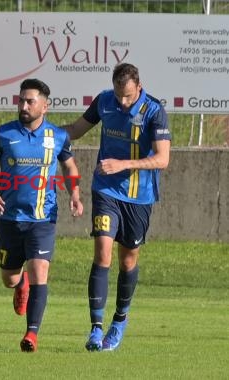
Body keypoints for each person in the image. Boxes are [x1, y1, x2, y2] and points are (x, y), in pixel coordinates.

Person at [63, 63, 170, 351]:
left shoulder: (154, 111)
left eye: (128, 96)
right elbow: (76, 129)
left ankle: (119, 320)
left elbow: (162, 159)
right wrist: (43, 134)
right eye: (118, 94)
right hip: (106, 190)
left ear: (139, 87)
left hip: (139, 197)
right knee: (103, 252)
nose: (122, 102)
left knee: (128, 261)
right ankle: (95, 329)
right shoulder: (104, 101)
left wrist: (124, 164)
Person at [0, 78, 83, 353]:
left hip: (43, 219)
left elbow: (70, 167)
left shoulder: (57, 137)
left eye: (30, 101)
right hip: (9, 219)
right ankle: (19, 282)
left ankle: (31, 334)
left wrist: (74, 194)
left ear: (44, 106)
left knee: (40, 271)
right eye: (21, 100)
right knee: (9, 279)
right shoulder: (3, 134)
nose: (23, 105)